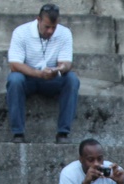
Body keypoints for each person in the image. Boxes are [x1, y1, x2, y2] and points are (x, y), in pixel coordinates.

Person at [6, 3, 80, 143]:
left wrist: (60, 68)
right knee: (14, 79)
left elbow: (67, 63)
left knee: (71, 79)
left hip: (52, 79)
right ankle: (18, 133)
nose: (51, 31)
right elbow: (14, 64)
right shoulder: (21, 32)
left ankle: (63, 133)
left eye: (54, 27)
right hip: (28, 79)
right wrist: (39, 73)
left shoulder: (64, 33)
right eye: (47, 27)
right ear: (38, 20)